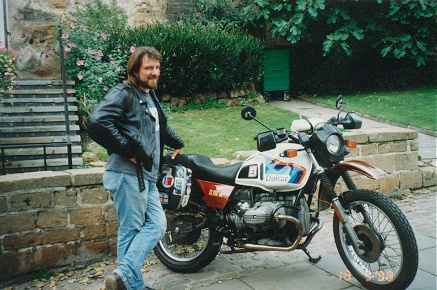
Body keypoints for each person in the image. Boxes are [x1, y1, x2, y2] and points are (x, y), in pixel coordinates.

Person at [87, 46, 184, 290]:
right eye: (149, 68)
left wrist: (177, 143)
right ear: (135, 69)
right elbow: (98, 122)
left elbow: (158, 126)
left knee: (157, 225)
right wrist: (127, 151)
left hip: (146, 176)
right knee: (131, 229)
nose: (155, 72)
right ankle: (130, 283)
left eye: (157, 67)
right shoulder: (124, 93)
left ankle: (123, 278)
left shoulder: (148, 94)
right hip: (126, 174)